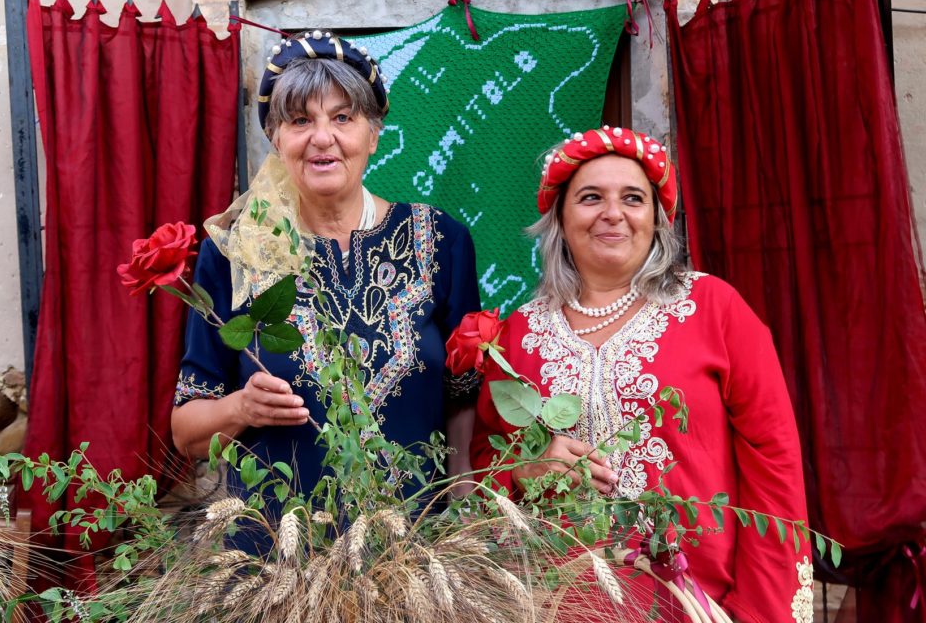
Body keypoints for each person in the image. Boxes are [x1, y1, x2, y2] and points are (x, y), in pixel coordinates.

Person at [469, 126, 813, 622]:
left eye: (633, 198)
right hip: (556, 604)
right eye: (590, 198)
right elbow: (485, 459)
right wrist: (527, 468)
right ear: (560, 218)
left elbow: (774, 461)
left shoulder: (713, 308)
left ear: (656, 218)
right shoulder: (519, 333)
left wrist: (757, 612)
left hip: (698, 603)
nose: (613, 213)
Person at [171, 31, 481, 549]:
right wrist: (241, 409)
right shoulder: (234, 252)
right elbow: (188, 432)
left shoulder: (442, 241)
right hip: (276, 568)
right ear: (276, 139)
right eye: (300, 120)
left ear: (373, 135)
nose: (322, 137)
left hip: (415, 560)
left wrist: (465, 517)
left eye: (342, 117)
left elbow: (463, 399)